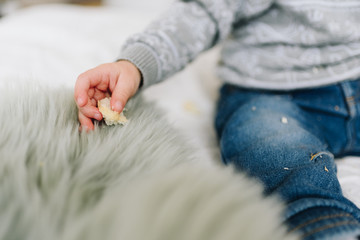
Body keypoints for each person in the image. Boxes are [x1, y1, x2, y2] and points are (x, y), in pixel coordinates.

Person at [74, 0, 360, 239]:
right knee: (273, 148)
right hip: (269, 91)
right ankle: (322, 222)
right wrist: (134, 65)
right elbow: (200, 13)